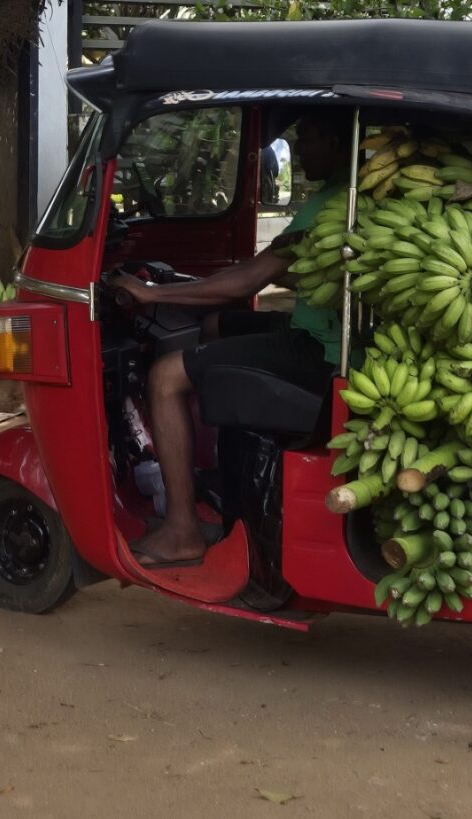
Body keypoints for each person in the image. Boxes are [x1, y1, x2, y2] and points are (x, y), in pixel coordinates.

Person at [110, 110, 351, 568]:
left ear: (338, 145)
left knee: (164, 377)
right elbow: (256, 274)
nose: (298, 152)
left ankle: (181, 531)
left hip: (318, 352)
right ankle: (208, 472)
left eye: (310, 137)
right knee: (215, 325)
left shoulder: (332, 208)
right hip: (314, 332)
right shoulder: (334, 198)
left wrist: (150, 292)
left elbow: (247, 283)